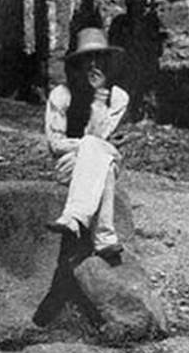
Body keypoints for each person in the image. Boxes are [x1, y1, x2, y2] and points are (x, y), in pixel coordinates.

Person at [44, 27, 129, 258]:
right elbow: (55, 145)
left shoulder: (118, 98)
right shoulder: (61, 95)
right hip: (69, 166)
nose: (93, 65)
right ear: (77, 64)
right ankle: (104, 236)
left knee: (100, 153)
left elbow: (100, 136)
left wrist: (100, 97)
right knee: (104, 161)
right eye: (87, 59)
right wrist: (86, 144)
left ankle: (74, 217)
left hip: (100, 159)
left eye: (99, 58)